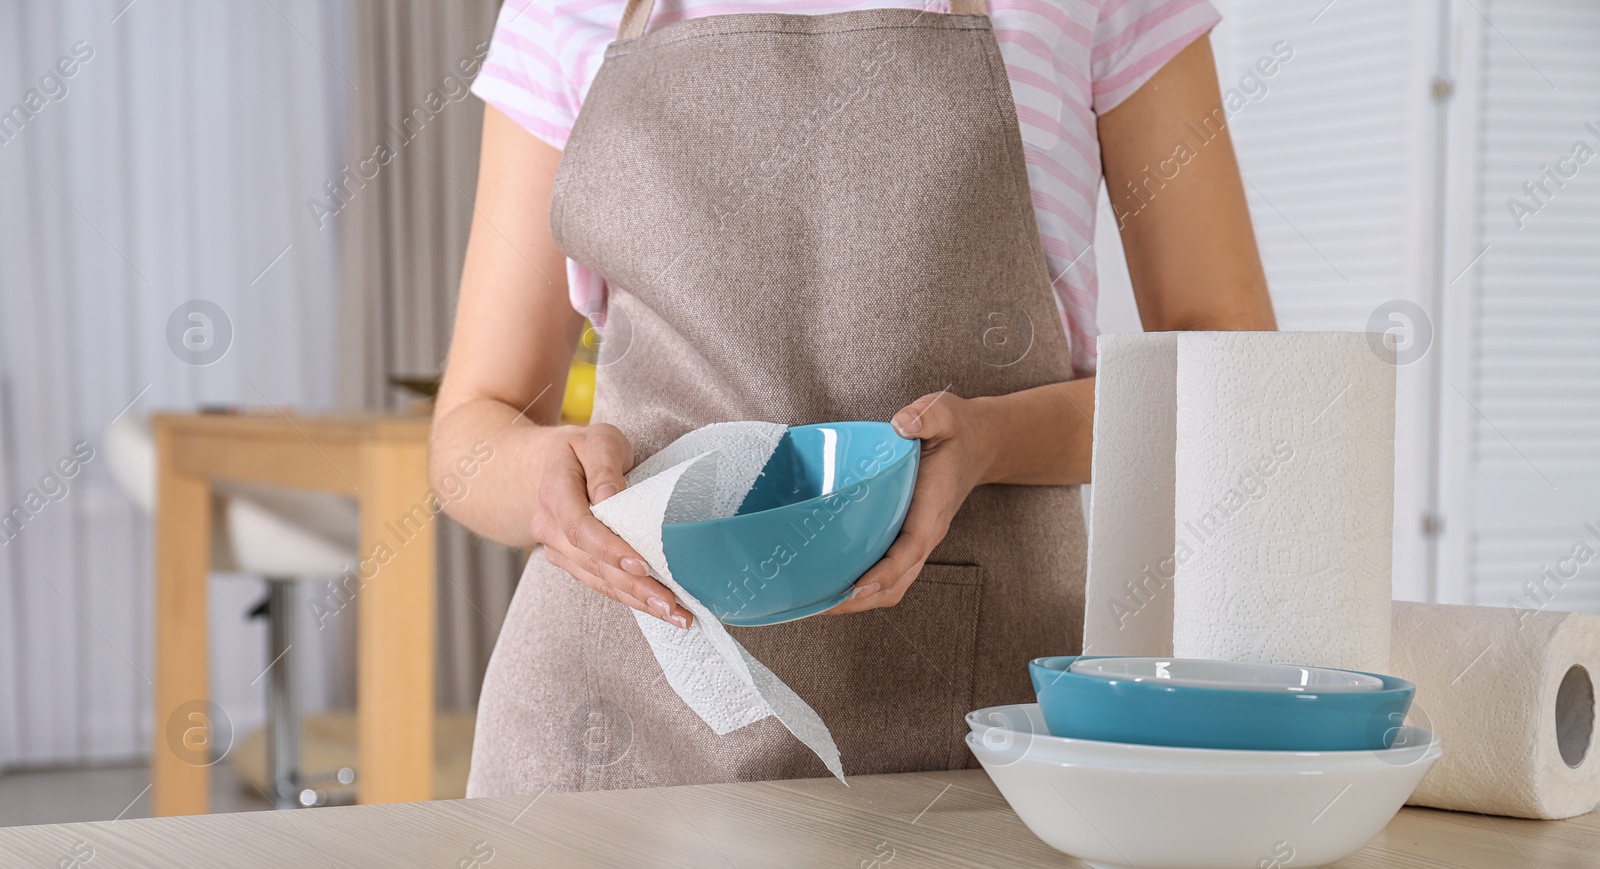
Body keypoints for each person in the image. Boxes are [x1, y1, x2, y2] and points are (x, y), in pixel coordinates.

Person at [431, 0, 1275, 795]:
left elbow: (1233, 385)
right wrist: (547, 479)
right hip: (607, 720)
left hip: (966, 721)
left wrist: (995, 440)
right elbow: (472, 427)